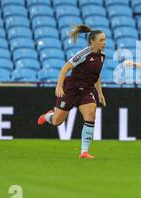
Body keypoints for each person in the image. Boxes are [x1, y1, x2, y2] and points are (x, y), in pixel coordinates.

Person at [38, 25, 107, 159]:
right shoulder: (83, 54)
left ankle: (84, 152)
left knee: (91, 115)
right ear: (92, 42)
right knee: (57, 122)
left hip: (86, 90)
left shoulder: (102, 56)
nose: (104, 43)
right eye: (101, 40)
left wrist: (100, 92)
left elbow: (96, 75)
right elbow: (65, 68)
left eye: (105, 40)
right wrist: (59, 86)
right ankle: (48, 116)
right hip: (71, 89)